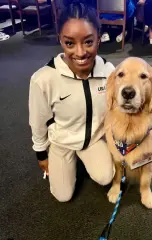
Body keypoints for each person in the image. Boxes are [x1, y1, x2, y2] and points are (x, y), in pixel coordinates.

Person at [28, 1, 116, 202]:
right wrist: (41, 155)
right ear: (60, 40)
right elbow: (38, 121)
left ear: (99, 39)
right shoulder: (43, 79)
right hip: (62, 142)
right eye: (70, 43)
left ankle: (86, 158)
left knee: (106, 177)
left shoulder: (109, 72)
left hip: (93, 139)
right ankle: (64, 160)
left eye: (88, 42)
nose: (80, 53)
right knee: (63, 196)